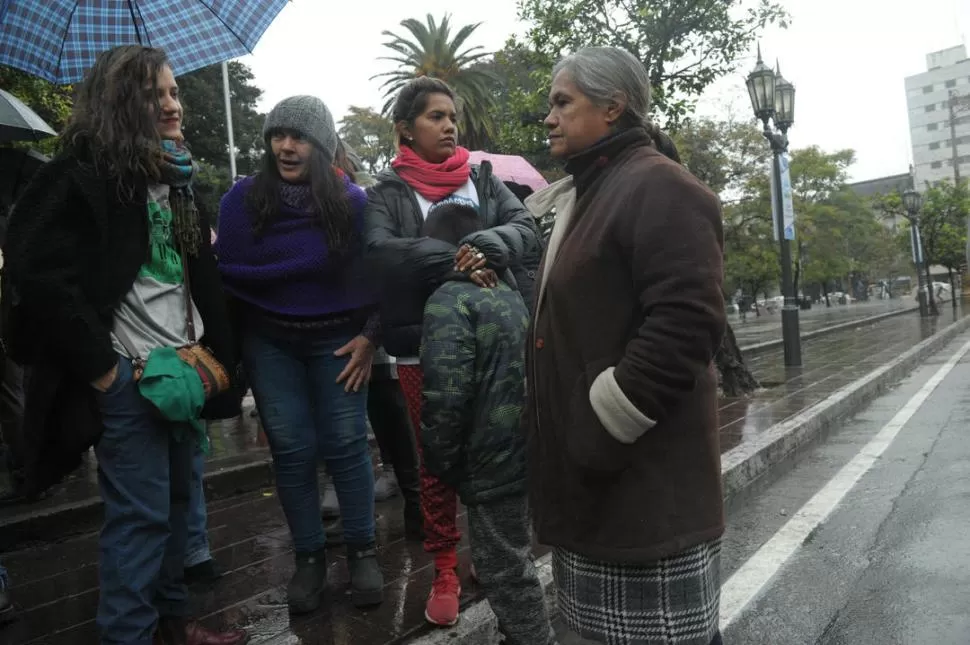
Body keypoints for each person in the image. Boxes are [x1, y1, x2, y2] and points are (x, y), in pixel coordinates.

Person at [2, 45, 245, 645]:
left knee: (181, 510)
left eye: (173, 92)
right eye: (152, 94)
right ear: (118, 104)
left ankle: (172, 623)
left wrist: (221, 353)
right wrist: (103, 370)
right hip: (128, 381)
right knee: (139, 521)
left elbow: (198, 271)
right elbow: (35, 275)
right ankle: (127, 635)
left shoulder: (179, 177)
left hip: (185, 374)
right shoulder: (77, 175)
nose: (170, 105)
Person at [523, 47, 726, 645]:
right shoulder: (590, 189)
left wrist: (604, 420)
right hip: (597, 485)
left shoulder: (657, 186)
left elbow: (687, 321)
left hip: (639, 481)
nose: (549, 117)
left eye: (562, 102)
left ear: (613, 106)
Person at [364, 76, 542, 626]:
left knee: (497, 452)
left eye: (452, 117)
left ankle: (492, 559)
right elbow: (380, 252)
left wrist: (491, 245)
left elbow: (526, 229)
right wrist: (461, 260)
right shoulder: (387, 193)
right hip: (423, 349)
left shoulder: (483, 181)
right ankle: (443, 564)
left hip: (497, 348)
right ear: (404, 130)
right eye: (435, 117)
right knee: (436, 459)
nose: (448, 126)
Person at [216, 96, 383, 613]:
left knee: (347, 443)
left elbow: (382, 275)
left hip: (339, 342)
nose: (287, 147)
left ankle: (362, 550)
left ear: (322, 144)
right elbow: (228, 276)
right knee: (290, 451)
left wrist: (371, 337)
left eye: (300, 136)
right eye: (278, 135)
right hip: (270, 344)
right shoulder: (241, 201)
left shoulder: (352, 203)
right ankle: (308, 556)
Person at [419, 203, 555, 644]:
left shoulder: (447, 301)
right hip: (524, 443)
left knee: (505, 570)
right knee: (515, 553)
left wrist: (439, 460)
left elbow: (446, 394)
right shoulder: (509, 292)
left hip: (487, 457)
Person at [322, 141, 421, 540]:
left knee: (388, 412)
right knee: (350, 422)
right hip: (338, 328)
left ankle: (415, 501)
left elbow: (381, 265)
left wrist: (372, 330)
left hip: (375, 326)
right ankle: (357, 506)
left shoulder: (360, 201)